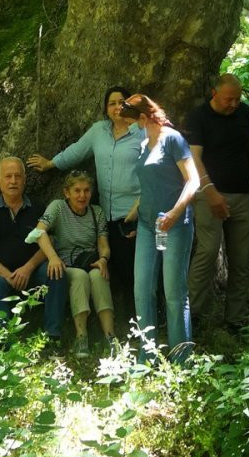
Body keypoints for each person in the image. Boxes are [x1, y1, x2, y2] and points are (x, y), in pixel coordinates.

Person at [28, 85, 141, 323]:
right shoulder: (99, 131)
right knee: (117, 269)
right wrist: (51, 164)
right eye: (112, 103)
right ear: (105, 108)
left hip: (134, 215)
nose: (117, 107)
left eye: (122, 101)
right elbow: (77, 151)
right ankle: (126, 323)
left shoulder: (141, 132)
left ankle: (144, 320)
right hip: (109, 216)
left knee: (138, 271)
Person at [121, 93, 200, 363]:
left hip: (175, 225)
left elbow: (193, 181)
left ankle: (181, 359)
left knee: (174, 293)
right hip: (147, 225)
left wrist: (176, 213)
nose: (131, 127)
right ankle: (147, 355)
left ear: (144, 117)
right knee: (142, 288)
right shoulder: (145, 143)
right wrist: (134, 212)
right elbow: (150, 184)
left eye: (133, 122)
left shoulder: (172, 139)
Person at [183, 72, 249, 335]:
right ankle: (190, 315)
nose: (234, 104)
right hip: (208, 193)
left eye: (237, 99)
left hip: (242, 194)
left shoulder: (244, 113)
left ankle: (235, 318)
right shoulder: (199, 116)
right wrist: (210, 190)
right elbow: (194, 158)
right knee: (208, 251)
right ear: (214, 94)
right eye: (229, 99)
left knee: (241, 258)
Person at [0, 156, 66, 347]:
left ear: (24, 179)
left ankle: (52, 337)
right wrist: (7, 275)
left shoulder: (38, 208)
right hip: (2, 273)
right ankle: (2, 344)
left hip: (34, 270)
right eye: (8, 177)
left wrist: (28, 268)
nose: (13, 181)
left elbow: (49, 242)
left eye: (17, 176)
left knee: (56, 272)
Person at [30, 170, 116, 358]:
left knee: (97, 275)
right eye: (77, 191)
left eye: (86, 191)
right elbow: (39, 232)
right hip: (65, 265)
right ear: (67, 192)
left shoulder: (96, 212)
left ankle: (110, 337)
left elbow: (103, 244)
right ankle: (81, 337)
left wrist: (103, 259)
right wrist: (52, 257)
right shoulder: (58, 207)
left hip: (89, 262)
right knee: (79, 276)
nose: (82, 195)